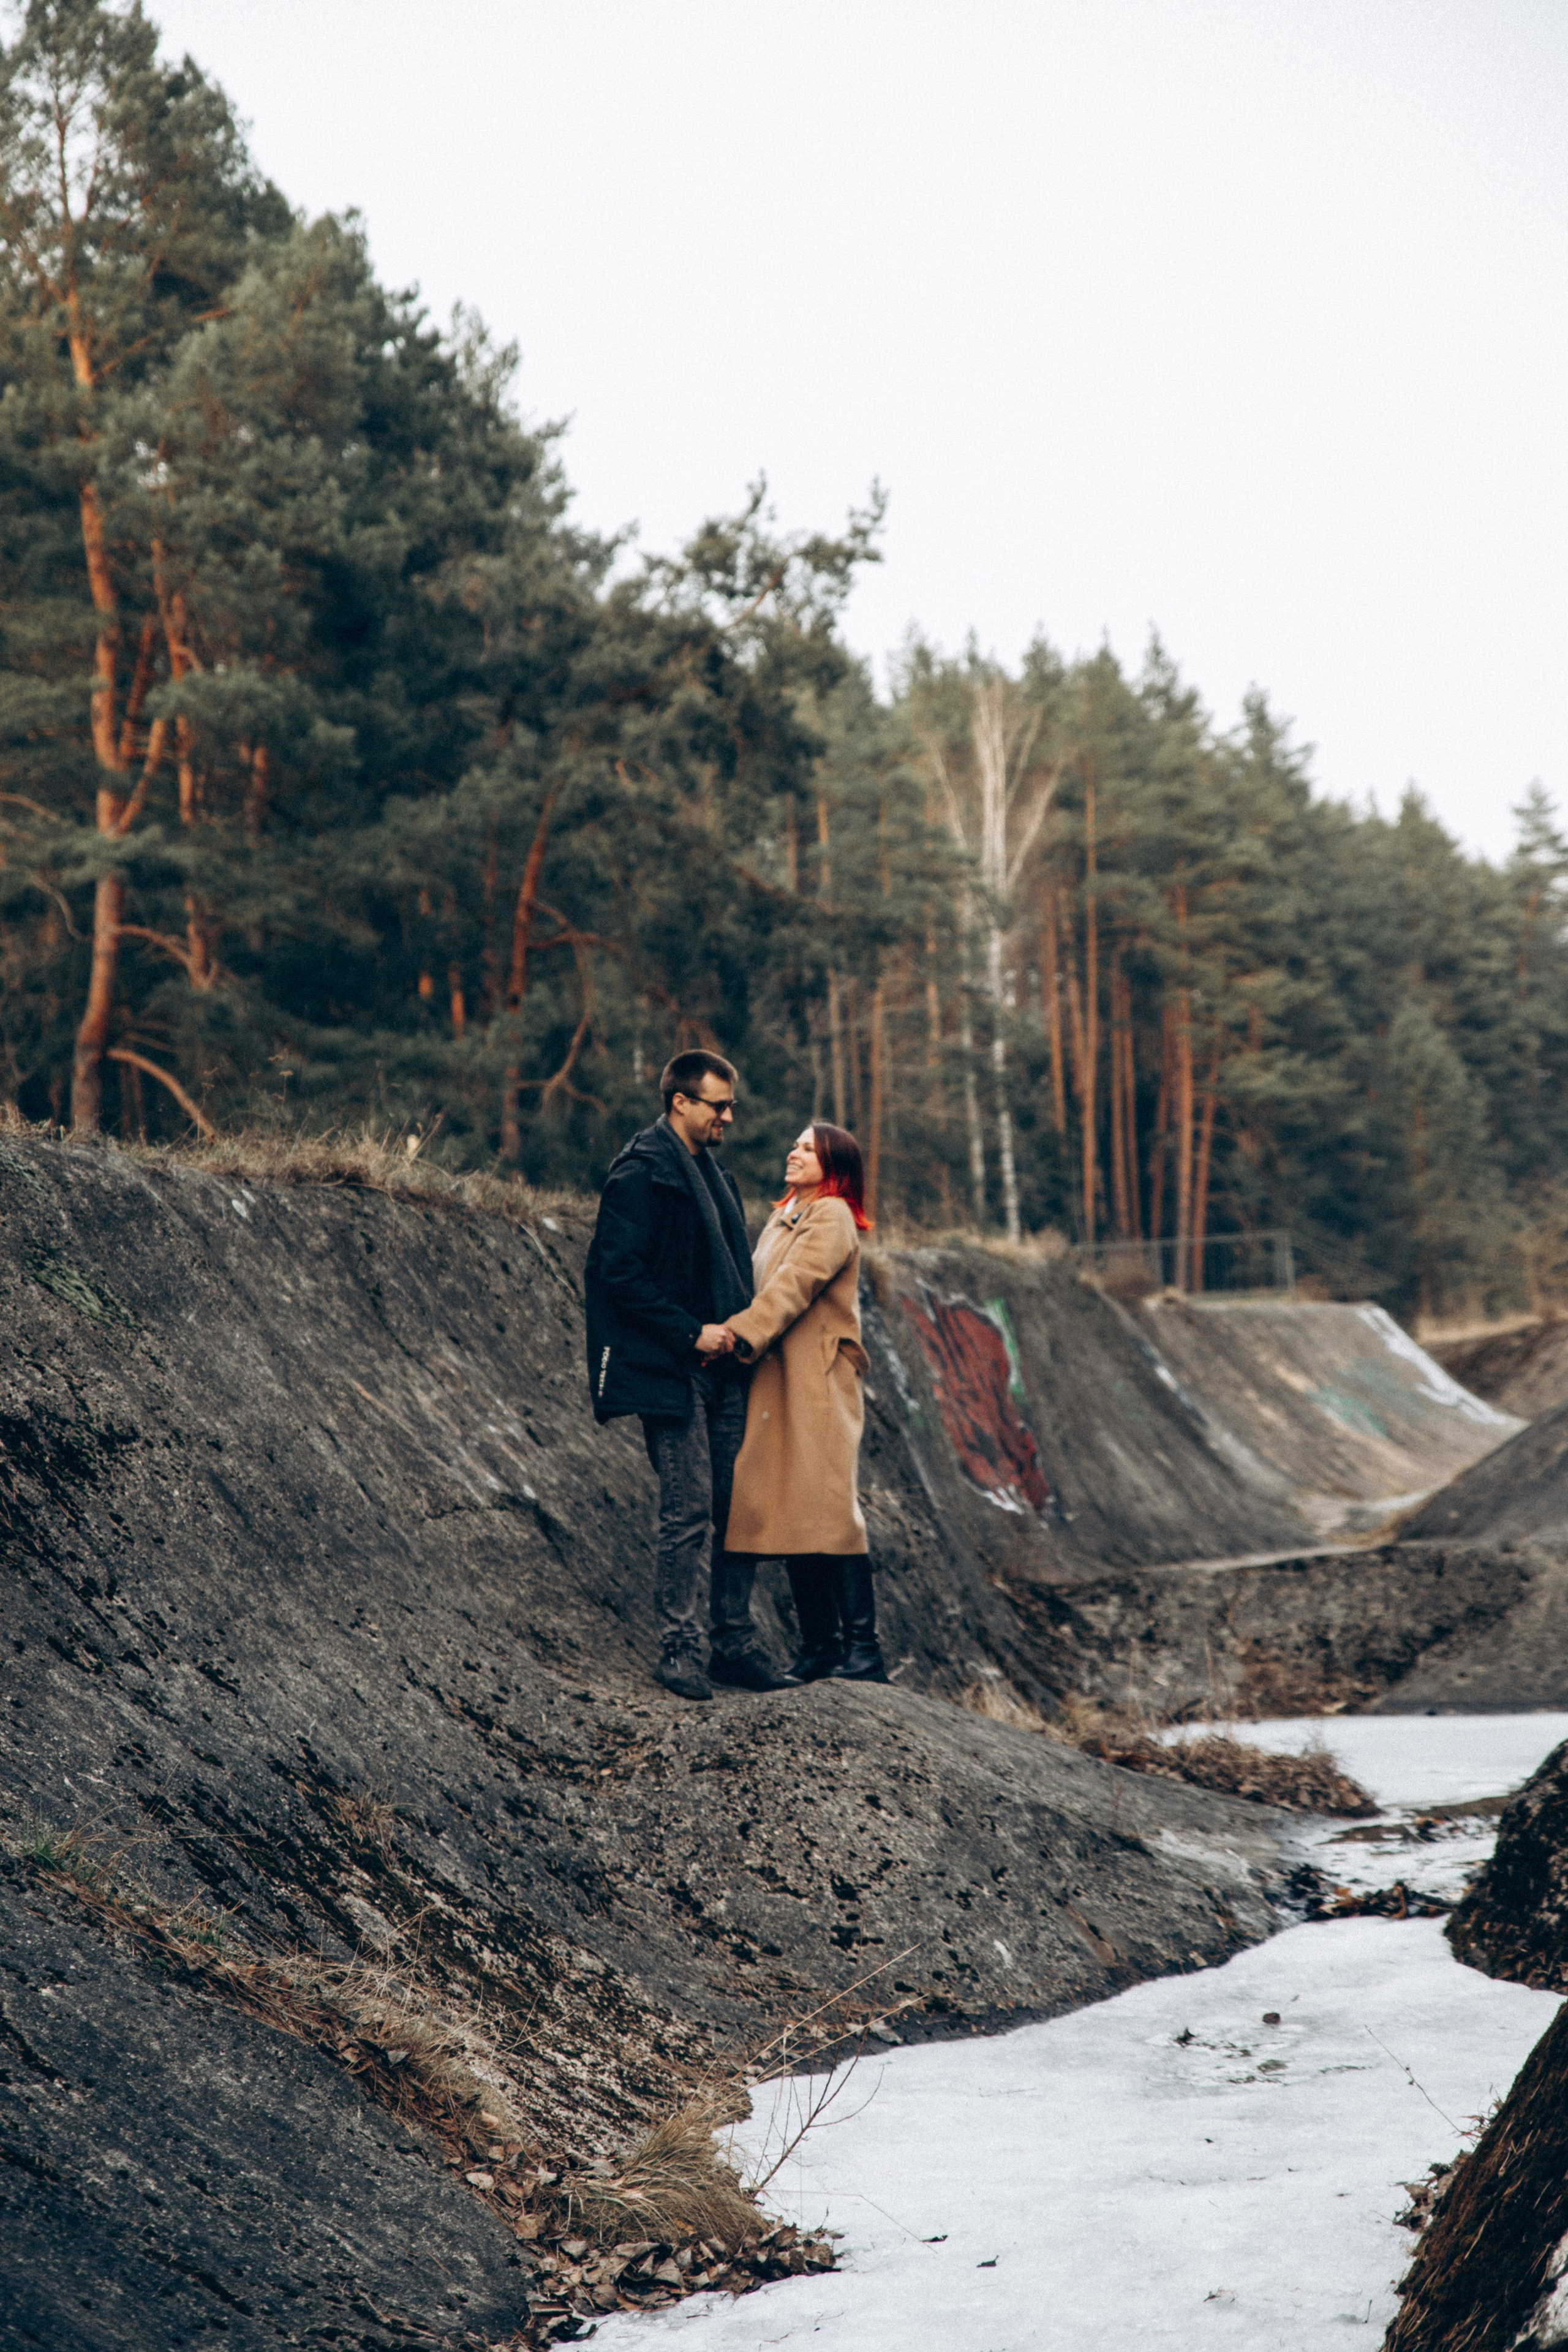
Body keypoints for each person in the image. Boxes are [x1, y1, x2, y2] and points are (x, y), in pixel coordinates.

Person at [584, 1049, 786, 1702]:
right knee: (689, 1507)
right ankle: (678, 1648)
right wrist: (687, 1330)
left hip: (726, 1367)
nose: (729, 1115)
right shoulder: (643, 1173)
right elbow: (615, 1273)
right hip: (671, 1367)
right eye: (718, 1104)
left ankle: (731, 1641)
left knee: (739, 1506)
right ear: (680, 1102)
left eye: (730, 1105)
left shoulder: (713, 1173)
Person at [722, 1121, 889, 1684]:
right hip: (778, 1378)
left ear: (833, 1163)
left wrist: (738, 1335)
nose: (793, 1152)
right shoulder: (787, 1212)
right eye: (792, 1144)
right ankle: (820, 1646)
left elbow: (794, 1285)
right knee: (795, 1510)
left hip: (817, 1381)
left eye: (807, 1148)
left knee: (830, 1512)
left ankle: (864, 1651)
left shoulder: (833, 1215)